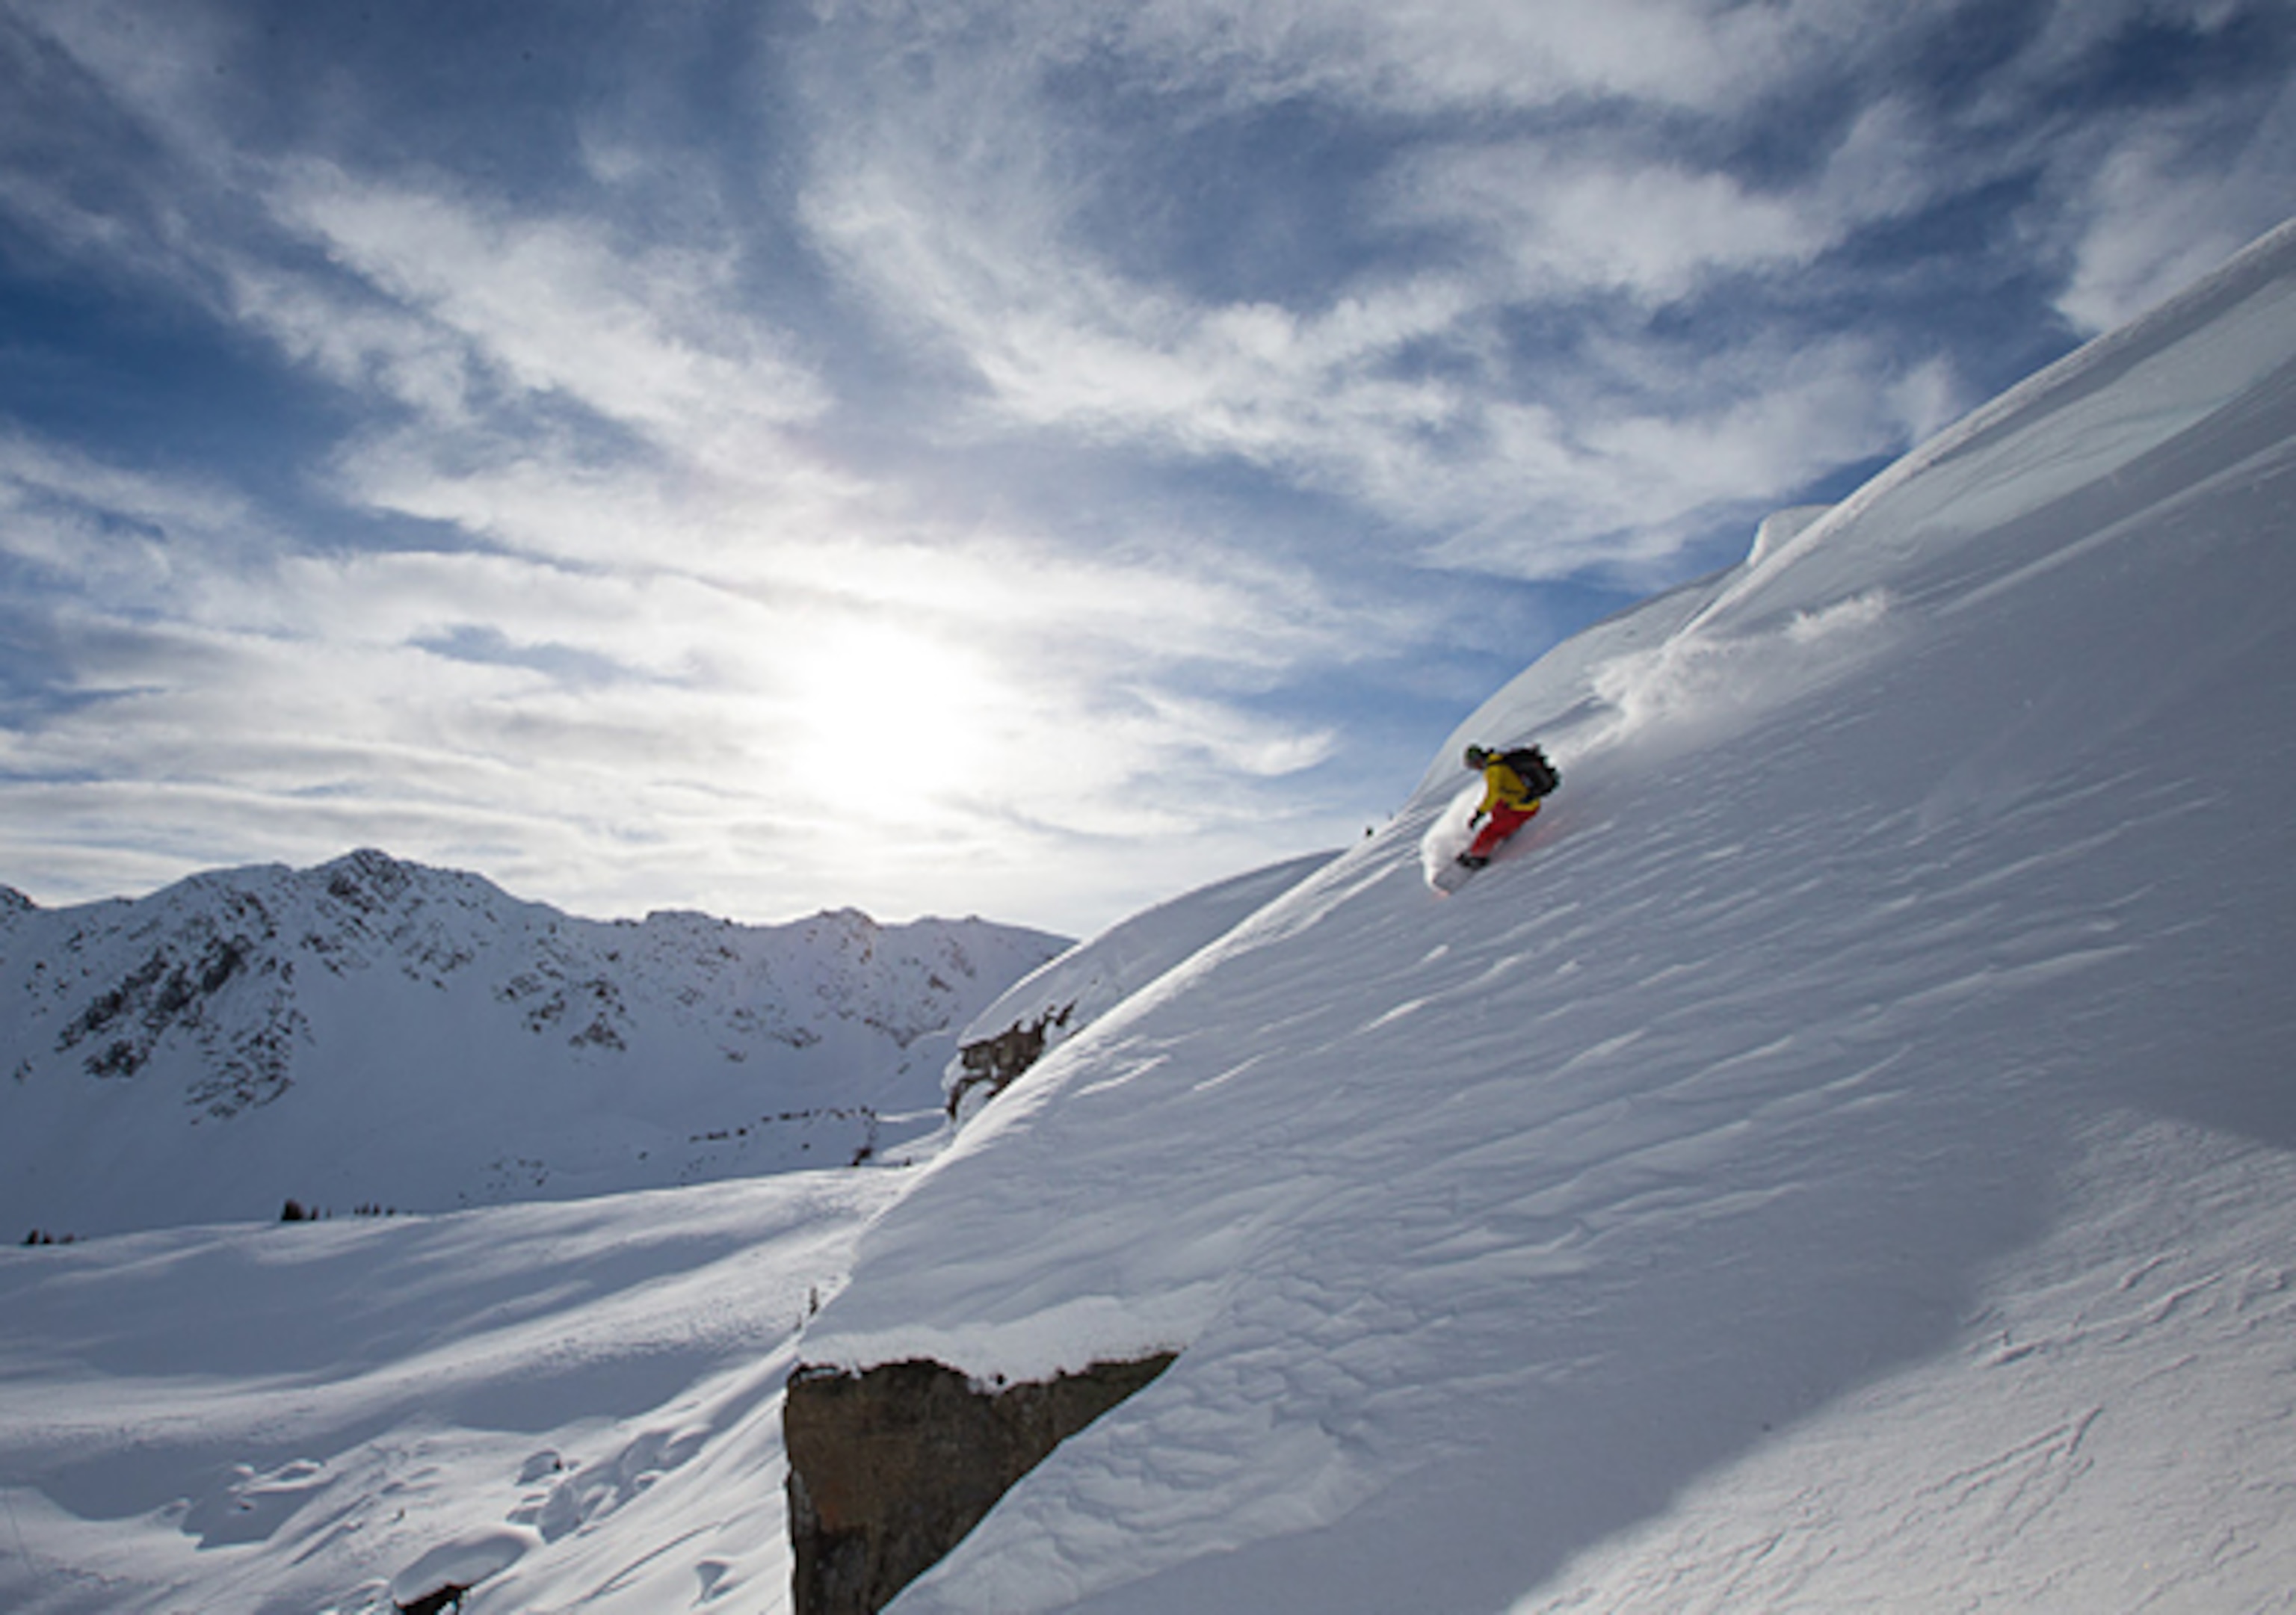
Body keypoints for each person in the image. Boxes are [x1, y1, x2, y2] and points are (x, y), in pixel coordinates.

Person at [1457, 744, 1543, 870]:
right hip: (1519, 802)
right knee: (1497, 809)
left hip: (1522, 808)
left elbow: (1493, 794)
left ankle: (1477, 856)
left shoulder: (1493, 770)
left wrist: (1479, 813)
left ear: (1479, 759)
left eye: (1474, 765)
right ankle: (1506, 832)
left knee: (1491, 830)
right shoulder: (1498, 760)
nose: (1476, 768)